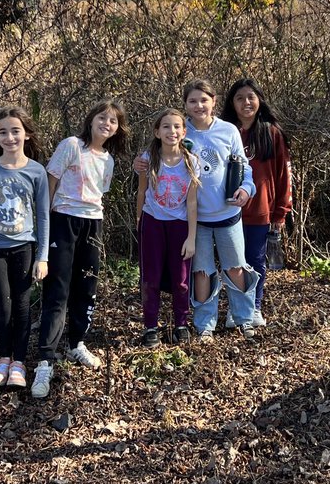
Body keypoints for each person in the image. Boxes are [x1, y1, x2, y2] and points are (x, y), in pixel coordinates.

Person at [138, 79, 259, 340]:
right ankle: (205, 325)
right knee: (202, 272)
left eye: (204, 100)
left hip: (227, 213)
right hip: (195, 219)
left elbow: (244, 167)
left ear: (214, 101)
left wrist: (246, 189)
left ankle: (244, 318)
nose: (199, 106)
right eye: (192, 101)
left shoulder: (228, 130)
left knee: (236, 267)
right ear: (185, 105)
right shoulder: (181, 130)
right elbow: (156, 153)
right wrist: (140, 164)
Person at [31, 99, 129, 399]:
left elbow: (98, 195)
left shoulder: (108, 160)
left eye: (113, 121)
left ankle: (76, 343)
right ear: (91, 119)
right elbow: (50, 183)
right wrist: (44, 225)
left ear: (117, 129)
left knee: (86, 286)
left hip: (93, 224)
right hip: (63, 220)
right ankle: (45, 360)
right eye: (102, 117)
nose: (106, 124)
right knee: (57, 289)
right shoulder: (71, 146)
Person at [0, 106, 50, 391]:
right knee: (2, 305)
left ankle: (19, 362)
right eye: (2, 132)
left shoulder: (36, 171)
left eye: (15, 131)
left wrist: (42, 256)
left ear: (26, 134)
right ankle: (4, 358)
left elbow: (43, 216)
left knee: (22, 304)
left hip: (23, 248)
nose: (9, 137)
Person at [222, 78, 292, 328]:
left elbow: (283, 175)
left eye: (251, 97)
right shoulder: (223, 131)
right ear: (232, 103)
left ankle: (254, 306)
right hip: (226, 209)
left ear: (259, 100)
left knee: (255, 260)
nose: (246, 103)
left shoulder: (272, 133)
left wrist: (280, 212)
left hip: (260, 209)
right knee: (233, 262)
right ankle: (235, 309)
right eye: (239, 98)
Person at [134, 108, 199, 347]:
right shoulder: (148, 158)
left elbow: (191, 202)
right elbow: (142, 191)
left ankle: (181, 323)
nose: (172, 131)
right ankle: (150, 326)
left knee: (180, 279)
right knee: (151, 277)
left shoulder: (191, 162)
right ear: (157, 132)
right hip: (152, 222)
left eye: (176, 126)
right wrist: (139, 219)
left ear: (184, 132)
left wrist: (191, 237)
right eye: (166, 126)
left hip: (180, 225)